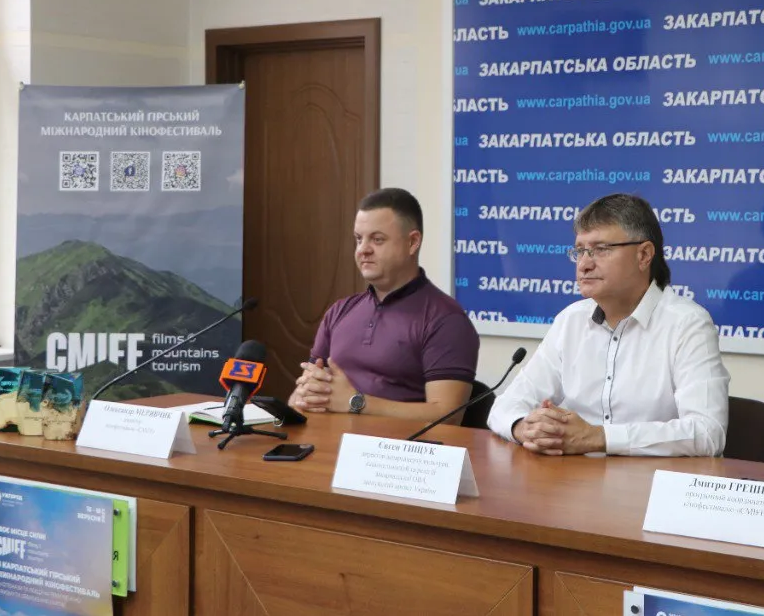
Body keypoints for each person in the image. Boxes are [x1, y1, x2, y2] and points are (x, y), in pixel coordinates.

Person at [487, 193, 729, 456]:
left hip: (647, 478)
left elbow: (708, 433)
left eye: (601, 249)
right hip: (574, 476)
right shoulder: (571, 320)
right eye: (580, 251)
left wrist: (599, 437)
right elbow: (505, 406)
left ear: (644, 255)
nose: (584, 264)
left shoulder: (687, 324)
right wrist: (525, 428)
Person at [289, 188, 479, 422]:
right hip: (325, 441)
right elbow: (298, 398)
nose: (363, 249)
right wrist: (303, 397)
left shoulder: (446, 319)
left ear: (412, 242)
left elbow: (448, 417)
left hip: (396, 446)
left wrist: (355, 402)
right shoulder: (340, 311)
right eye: (359, 239)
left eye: (377, 239)